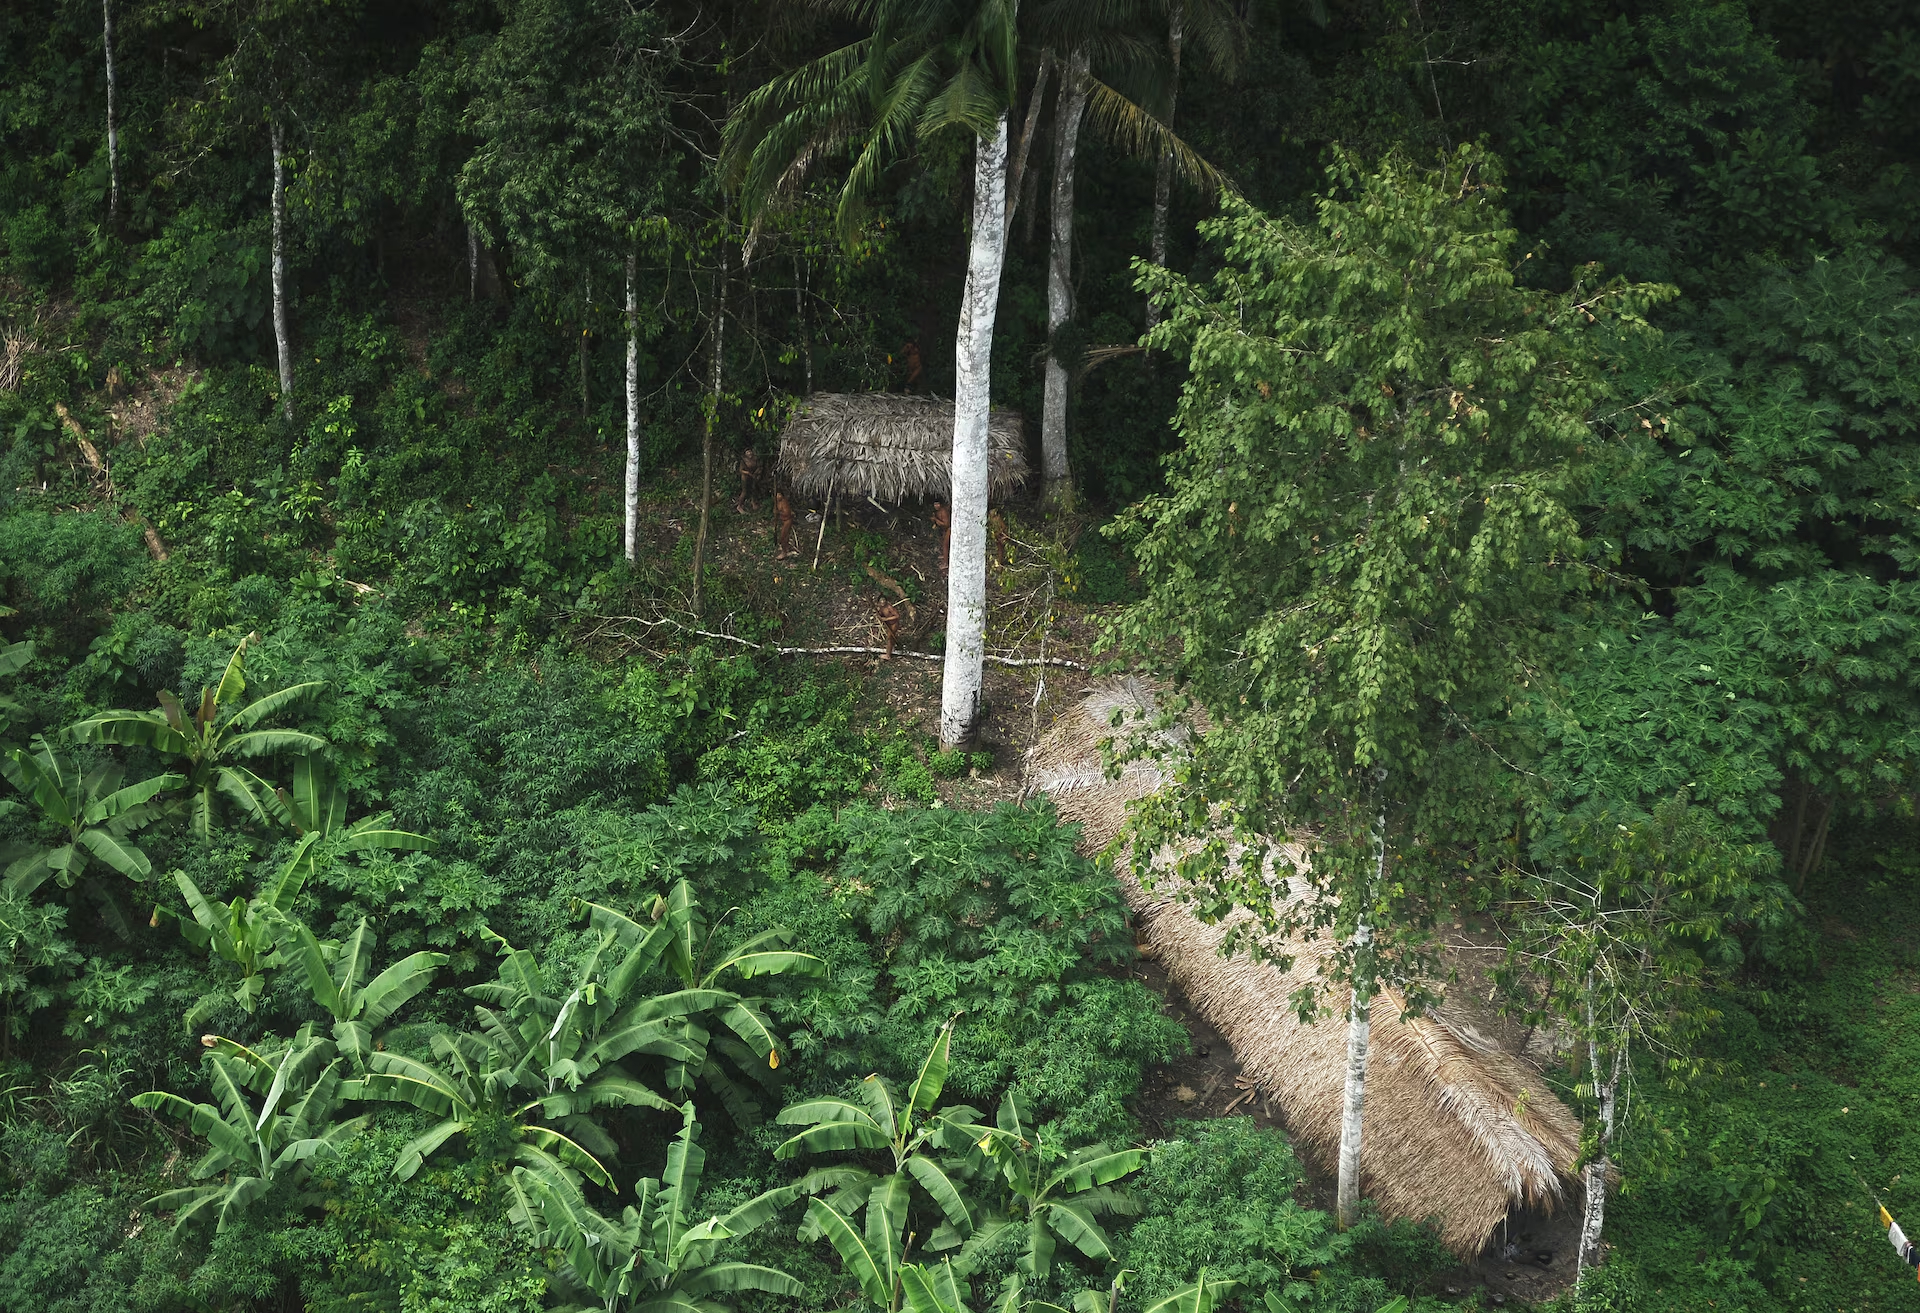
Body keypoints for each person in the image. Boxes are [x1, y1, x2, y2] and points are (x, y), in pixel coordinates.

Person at [735, 446, 763, 513]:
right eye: (747, 452)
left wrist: (756, 473)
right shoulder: (744, 461)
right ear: (745, 454)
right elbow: (741, 470)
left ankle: (753, 503)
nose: (749, 453)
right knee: (744, 492)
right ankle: (739, 506)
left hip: (753, 477)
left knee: (753, 490)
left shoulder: (755, 459)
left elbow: (759, 467)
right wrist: (747, 473)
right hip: (745, 478)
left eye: (750, 451)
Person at [774, 488, 796, 559]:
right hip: (783, 521)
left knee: (782, 537)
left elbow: (787, 513)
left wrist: (778, 512)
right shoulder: (777, 502)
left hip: (787, 521)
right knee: (785, 537)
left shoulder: (784, 502)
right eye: (777, 495)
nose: (778, 496)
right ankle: (786, 549)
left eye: (779, 495)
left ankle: (784, 553)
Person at [932, 499, 951, 573]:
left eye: (938, 504)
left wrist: (936, 520)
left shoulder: (943, 511)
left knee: (945, 545)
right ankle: (944, 555)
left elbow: (946, 524)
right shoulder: (937, 512)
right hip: (945, 530)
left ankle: (946, 563)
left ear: (940, 504)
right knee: (942, 541)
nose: (936, 506)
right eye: (935, 504)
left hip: (949, 528)